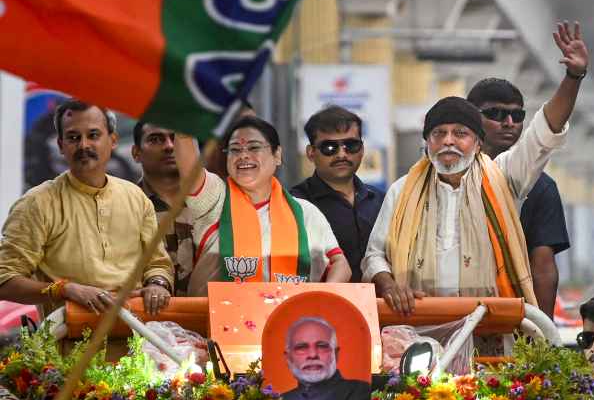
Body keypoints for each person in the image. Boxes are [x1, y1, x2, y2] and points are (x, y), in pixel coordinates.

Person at [362, 21, 589, 315]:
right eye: (439, 134)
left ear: (478, 143)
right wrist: (390, 286)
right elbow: (374, 255)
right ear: (427, 141)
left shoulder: (504, 178)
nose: (448, 142)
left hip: (489, 326)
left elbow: (543, 134)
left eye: (460, 133)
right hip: (419, 327)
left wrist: (573, 76)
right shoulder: (403, 189)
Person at [0, 100, 174, 316]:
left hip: (139, 339)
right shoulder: (37, 204)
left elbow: (157, 263)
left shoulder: (135, 198)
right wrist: (65, 290)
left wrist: (158, 284)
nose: (83, 145)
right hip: (68, 343)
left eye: (93, 135)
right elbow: (5, 280)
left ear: (112, 141)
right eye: (73, 138)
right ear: (61, 145)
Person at [175, 116, 351, 294]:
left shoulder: (305, 212)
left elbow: (340, 264)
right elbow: (189, 166)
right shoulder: (216, 197)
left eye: (253, 147)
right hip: (215, 319)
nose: (243, 155)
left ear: (277, 155)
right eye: (235, 149)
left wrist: (326, 296)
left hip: (289, 318)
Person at [466, 78, 570, 319]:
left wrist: (542, 340)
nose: (509, 123)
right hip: (444, 315)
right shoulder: (427, 182)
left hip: (507, 318)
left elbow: (543, 268)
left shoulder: (541, 187)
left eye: (517, 115)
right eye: (496, 114)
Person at [291, 106, 383, 283]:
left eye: (351, 145)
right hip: (322, 306)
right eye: (330, 147)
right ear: (311, 153)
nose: (342, 154)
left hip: (380, 309)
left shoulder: (382, 200)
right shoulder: (295, 204)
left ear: (362, 150)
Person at [132, 122, 196, 296]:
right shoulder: (126, 207)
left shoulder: (212, 201)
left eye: (175, 139)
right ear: (136, 153)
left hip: (210, 316)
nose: (169, 146)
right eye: (155, 139)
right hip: (146, 319)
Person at [279, 317, 370, 400]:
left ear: (335, 354)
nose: (313, 355)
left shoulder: (361, 392)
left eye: (322, 346)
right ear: (288, 358)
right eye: (302, 347)